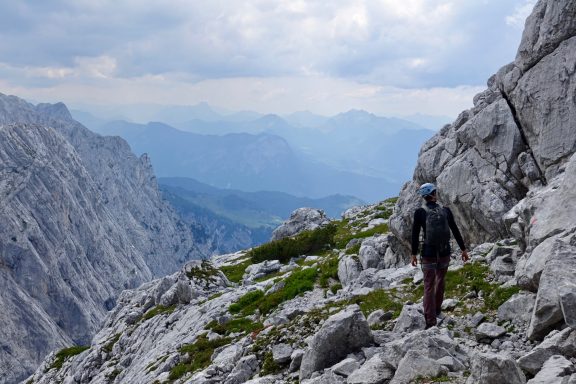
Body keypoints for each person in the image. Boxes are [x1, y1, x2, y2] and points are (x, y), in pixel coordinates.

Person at [411, 182, 469, 329]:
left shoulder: (420, 212)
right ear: (433, 193)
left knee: (428, 285)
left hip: (428, 253)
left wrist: (413, 254)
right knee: (440, 280)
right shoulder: (446, 210)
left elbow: (415, 234)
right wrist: (463, 249)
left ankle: (430, 321)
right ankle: (437, 309)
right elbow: (455, 230)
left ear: (424, 197)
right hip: (444, 252)